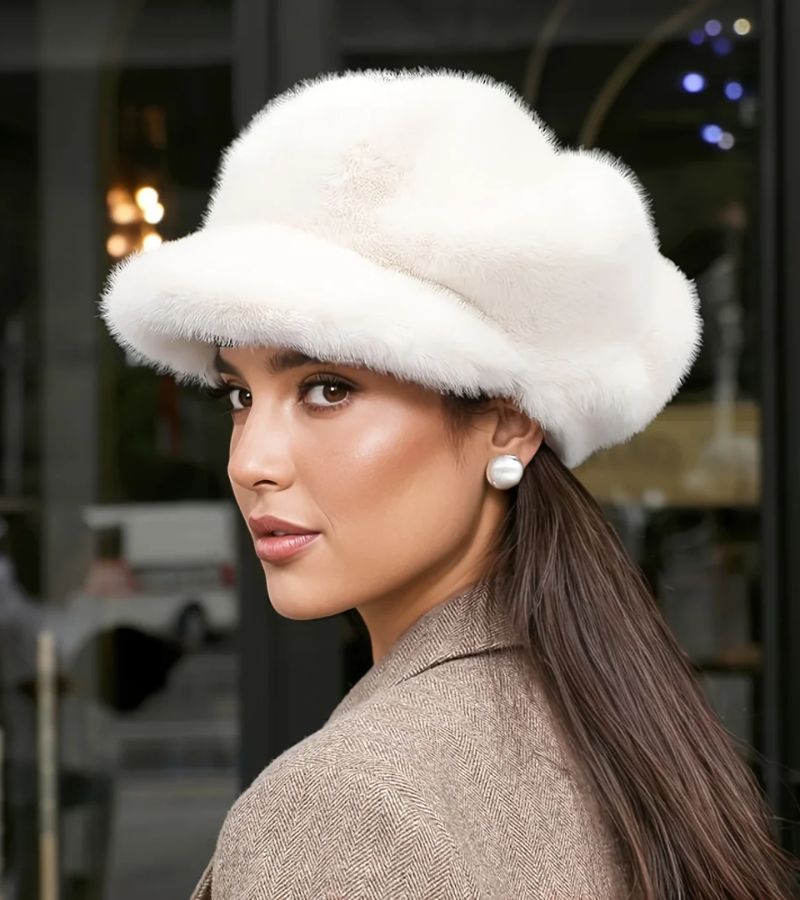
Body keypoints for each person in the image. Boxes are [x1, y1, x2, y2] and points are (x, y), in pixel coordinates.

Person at [99, 70, 798, 899]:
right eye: (239, 396)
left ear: (508, 423)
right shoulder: (613, 727)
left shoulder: (346, 809)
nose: (251, 460)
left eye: (328, 389)